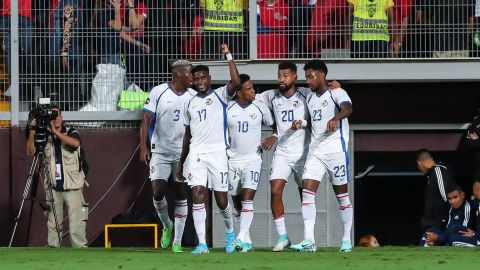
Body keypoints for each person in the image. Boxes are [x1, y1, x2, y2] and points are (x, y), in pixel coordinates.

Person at [176, 44, 241, 254]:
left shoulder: (221, 95)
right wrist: (181, 162)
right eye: (197, 79)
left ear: (209, 78)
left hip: (218, 153)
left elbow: (237, 82)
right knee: (197, 193)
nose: (200, 81)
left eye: (203, 77)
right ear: (193, 81)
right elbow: (188, 135)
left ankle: (230, 231)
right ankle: (202, 243)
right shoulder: (190, 103)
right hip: (196, 154)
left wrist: (228, 56)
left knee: (221, 199)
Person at [289, 59, 353, 252]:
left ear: (322, 75)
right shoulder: (310, 98)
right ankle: (309, 240)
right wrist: (302, 123)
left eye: (310, 76)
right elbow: (316, 121)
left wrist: (337, 117)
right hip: (316, 151)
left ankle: (346, 239)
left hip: (336, 150)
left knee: (342, 196)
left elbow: (348, 108)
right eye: (306, 77)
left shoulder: (337, 92)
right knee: (307, 193)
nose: (307, 80)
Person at [139, 60, 195, 253]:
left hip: (183, 153)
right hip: (160, 150)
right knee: (157, 191)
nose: (192, 76)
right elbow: (145, 120)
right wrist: (143, 147)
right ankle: (167, 225)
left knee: (181, 193)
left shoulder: (193, 96)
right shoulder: (158, 91)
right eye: (189, 73)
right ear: (178, 74)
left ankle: (177, 241)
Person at [255, 62, 311, 252]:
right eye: (279, 75)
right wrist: (274, 133)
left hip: (303, 153)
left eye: (285, 76)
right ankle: (283, 236)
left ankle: (308, 238)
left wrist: (303, 122)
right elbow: (249, 96)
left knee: (306, 196)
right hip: (283, 152)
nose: (281, 79)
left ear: (294, 77)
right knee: (275, 189)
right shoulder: (271, 96)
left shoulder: (306, 94)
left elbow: (321, 111)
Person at [26, 105, 88, 247]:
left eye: (57, 115)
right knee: (53, 223)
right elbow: (30, 152)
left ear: (62, 117)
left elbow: (76, 143)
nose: (56, 119)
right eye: (52, 116)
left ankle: (81, 251)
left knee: (76, 225)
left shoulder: (71, 132)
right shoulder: (44, 136)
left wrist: (55, 132)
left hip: (73, 186)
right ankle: (53, 250)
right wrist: (32, 133)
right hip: (53, 187)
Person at [227, 74, 274, 252]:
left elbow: (275, 125)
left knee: (248, 199)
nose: (253, 91)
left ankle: (239, 238)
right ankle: (246, 240)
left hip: (253, 160)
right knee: (236, 202)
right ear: (238, 92)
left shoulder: (260, 108)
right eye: (248, 88)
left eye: (253, 87)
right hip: (232, 161)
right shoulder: (228, 109)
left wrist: (273, 137)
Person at [416, 149, 456, 233]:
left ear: (419, 163)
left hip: (439, 223)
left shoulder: (438, 171)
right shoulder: (432, 174)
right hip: (433, 222)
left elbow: (448, 196)